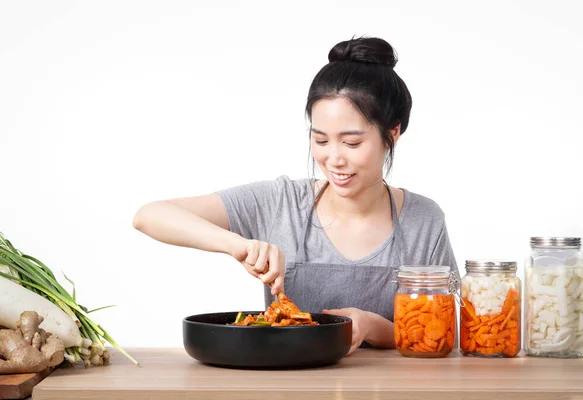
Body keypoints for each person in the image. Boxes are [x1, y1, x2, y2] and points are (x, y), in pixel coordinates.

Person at [133, 36, 458, 355]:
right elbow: (149, 216)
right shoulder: (281, 202)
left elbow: (441, 332)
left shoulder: (423, 220)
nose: (334, 159)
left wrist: (369, 325)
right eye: (320, 140)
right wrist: (238, 245)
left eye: (351, 143)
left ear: (392, 134)